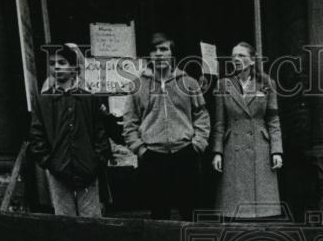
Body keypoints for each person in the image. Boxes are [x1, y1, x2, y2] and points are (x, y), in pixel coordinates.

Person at [121, 32, 210, 221]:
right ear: (149, 55)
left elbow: (201, 115)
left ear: (172, 54)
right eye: (154, 50)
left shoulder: (188, 82)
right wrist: (140, 149)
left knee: (189, 211)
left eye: (163, 49)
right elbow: (129, 122)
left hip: (185, 153)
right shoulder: (138, 85)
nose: (159, 54)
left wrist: (197, 144)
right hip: (153, 156)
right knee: (159, 213)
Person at [28, 43, 119, 217]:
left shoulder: (89, 99)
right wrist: (49, 162)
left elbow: (100, 134)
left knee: (91, 219)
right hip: (58, 170)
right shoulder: (43, 101)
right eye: (52, 63)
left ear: (73, 68)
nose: (56, 67)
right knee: (64, 219)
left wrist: (97, 161)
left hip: (88, 169)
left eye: (62, 63)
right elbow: (37, 135)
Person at [210, 41, 284, 219]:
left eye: (241, 56)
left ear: (252, 60)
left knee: (261, 210)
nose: (236, 59)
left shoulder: (266, 84)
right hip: (233, 148)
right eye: (234, 56)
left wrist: (276, 151)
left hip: (259, 148)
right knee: (234, 209)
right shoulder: (223, 85)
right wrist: (217, 152)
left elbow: (273, 120)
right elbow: (219, 123)